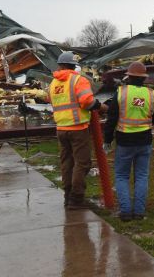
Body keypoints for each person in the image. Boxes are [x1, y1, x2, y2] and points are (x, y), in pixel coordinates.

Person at [103, 61, 154, 222]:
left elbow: (111, 118)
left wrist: (107, 140)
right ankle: (139, 212)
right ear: (144, 78)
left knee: (122, 176)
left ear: (128, 77)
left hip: (124, 141)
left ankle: (126, 212)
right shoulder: (151, 94)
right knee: (142, 176)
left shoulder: (121, 93)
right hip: (144, 140)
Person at [48, 51, 104, 209]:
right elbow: (87, 102)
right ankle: (76, 198)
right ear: (74, 66)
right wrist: (101, 106)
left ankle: (67, 196)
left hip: (61, 129)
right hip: (78, 128)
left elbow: (51, 101)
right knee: (83, 163)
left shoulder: (53, 84)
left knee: (67, 163)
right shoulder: (79, 80)